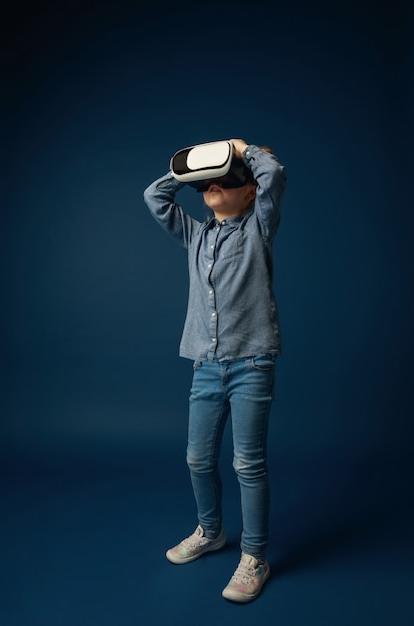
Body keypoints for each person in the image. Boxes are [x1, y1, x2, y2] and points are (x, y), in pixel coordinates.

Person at [143, 138, 287, 603]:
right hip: (205, 366)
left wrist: (245, 154)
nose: (216, 185)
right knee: (197, 459)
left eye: (229, 181)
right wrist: (189, 169)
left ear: (249, 194)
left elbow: (274, 177)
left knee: (247, 463)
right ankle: (210, 531)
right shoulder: (195, 234)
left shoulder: (258, 228)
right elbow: (155, 196)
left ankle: (255, 556)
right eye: (209, 182)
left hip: (251, 362)